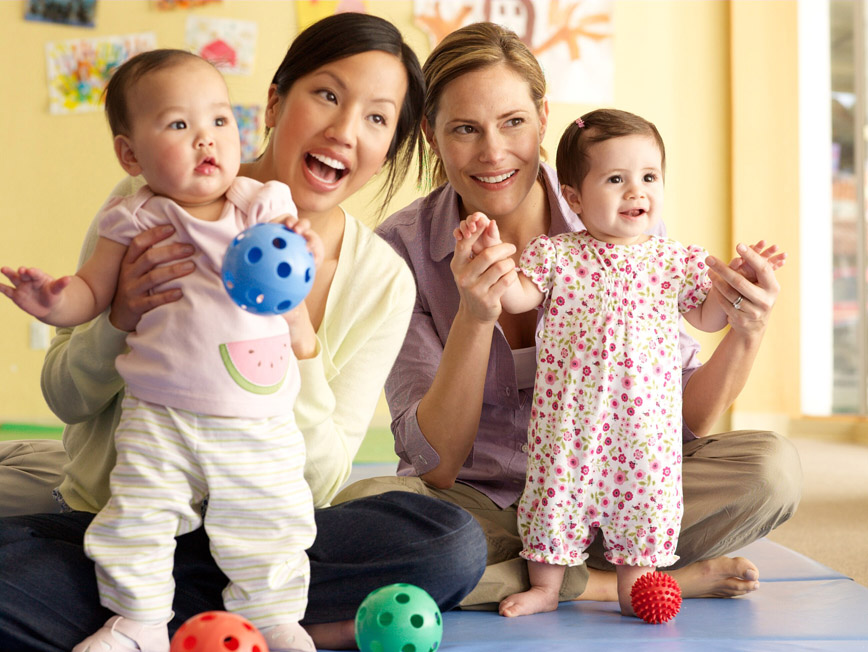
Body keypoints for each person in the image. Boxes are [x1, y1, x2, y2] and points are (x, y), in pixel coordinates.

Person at [0, 14, 487, 652]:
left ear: (391, 146)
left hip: (265, 520)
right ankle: (231, 620)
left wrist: (299, 333)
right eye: (329, 96)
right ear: (275, 102)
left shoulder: (382, 281)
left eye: (377, 118)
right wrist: (117, 317)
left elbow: (322, 479)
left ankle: (153, 614)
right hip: (129, 507)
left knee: (448, 542)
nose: (344, 130)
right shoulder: (152, 203)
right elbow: (66, 399)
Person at [334, 21, 802, 613]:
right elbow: (438, 463)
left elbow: (687, 418)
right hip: (481, 503)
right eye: (464, 130)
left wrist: (746, 330)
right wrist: (476, 318)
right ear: (431, 134)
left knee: (771, 470)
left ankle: (546, 574)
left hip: (623, 482)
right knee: (368, 510)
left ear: (543, 118)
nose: (493, 152)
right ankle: (621, 582)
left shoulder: (619, 210)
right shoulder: (397, 253)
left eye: (512, 123)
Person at [2, 49, 324, 652]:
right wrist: (53, 302)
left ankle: (274, 617)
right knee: (136, 519)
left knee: (272, 520)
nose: (207, 139)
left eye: (221, 121)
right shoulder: (130, 216)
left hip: (257, 418)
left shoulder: (261, 204)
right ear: (130, 154)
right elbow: (91, 293)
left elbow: (293, 271)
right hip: (157, 415)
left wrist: (300, 246)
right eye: (179, 125)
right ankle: (140, 621)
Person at [454, 108, 786, 618]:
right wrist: (492, 256)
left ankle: (636, 587)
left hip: (644, 431)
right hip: (570, 426)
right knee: (554, 500)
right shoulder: (558, 254)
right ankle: (547, 588)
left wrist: (735, 285)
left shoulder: (676, 260)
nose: (637, 192)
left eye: (649, 178)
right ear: (575, 198)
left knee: (645, 506)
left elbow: (707, 315)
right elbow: (518, 296)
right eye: (616, 179)